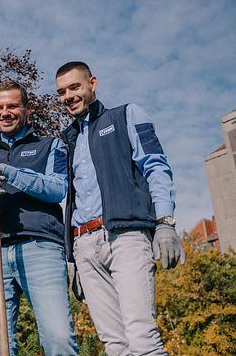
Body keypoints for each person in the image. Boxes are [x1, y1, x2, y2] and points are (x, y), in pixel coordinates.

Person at [55, 61, 184, 356]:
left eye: (75, 87)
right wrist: (72, 259)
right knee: (115, 344)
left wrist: (165, 222)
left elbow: (156, 166)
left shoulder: (126, 114)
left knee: (141, 336)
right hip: (84, 247)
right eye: (61, 92)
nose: (68, 96)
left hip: (126, 236)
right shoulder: (66, 139)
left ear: (92, 84)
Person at [0, 80, 78, 355]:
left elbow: (57, 188)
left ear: (27, 109)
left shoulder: (50, 146)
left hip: (40, 248)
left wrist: (7, 171)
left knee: (58, 338)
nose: (5, 112)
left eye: (13, 106)